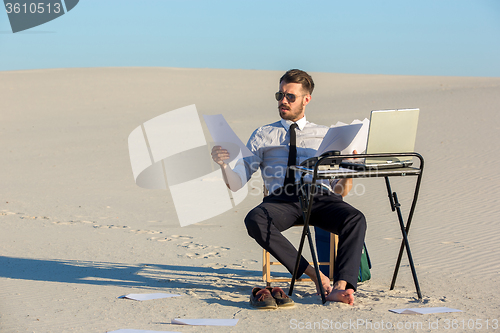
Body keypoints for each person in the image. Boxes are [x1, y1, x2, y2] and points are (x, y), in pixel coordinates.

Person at [211, 69, 366, 305]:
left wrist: (348, 170)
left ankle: (341, 286)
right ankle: (316, 276)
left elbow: (340, 191)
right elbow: (236, 183)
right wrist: (223, 165)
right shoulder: (263, 134)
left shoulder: (326, 134)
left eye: (290, 96)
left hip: (320, 197)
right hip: (282, 200)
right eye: (280, 95)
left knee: (356, 218)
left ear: (306, 99)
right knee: (255, 220)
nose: (283, 101)